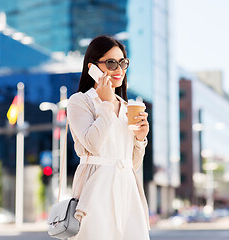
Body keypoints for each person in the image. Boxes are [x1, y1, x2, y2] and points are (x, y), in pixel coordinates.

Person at [67, 35, 150, 240]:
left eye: (122, 63)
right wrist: (105, 104)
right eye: (111, 63)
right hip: (96, 188)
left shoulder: (127, 106)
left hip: (128, 188)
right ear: (93, 67)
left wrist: (140, 139)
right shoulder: (80, 101)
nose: (119, 70)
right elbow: (93, 144)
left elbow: (131, 164)